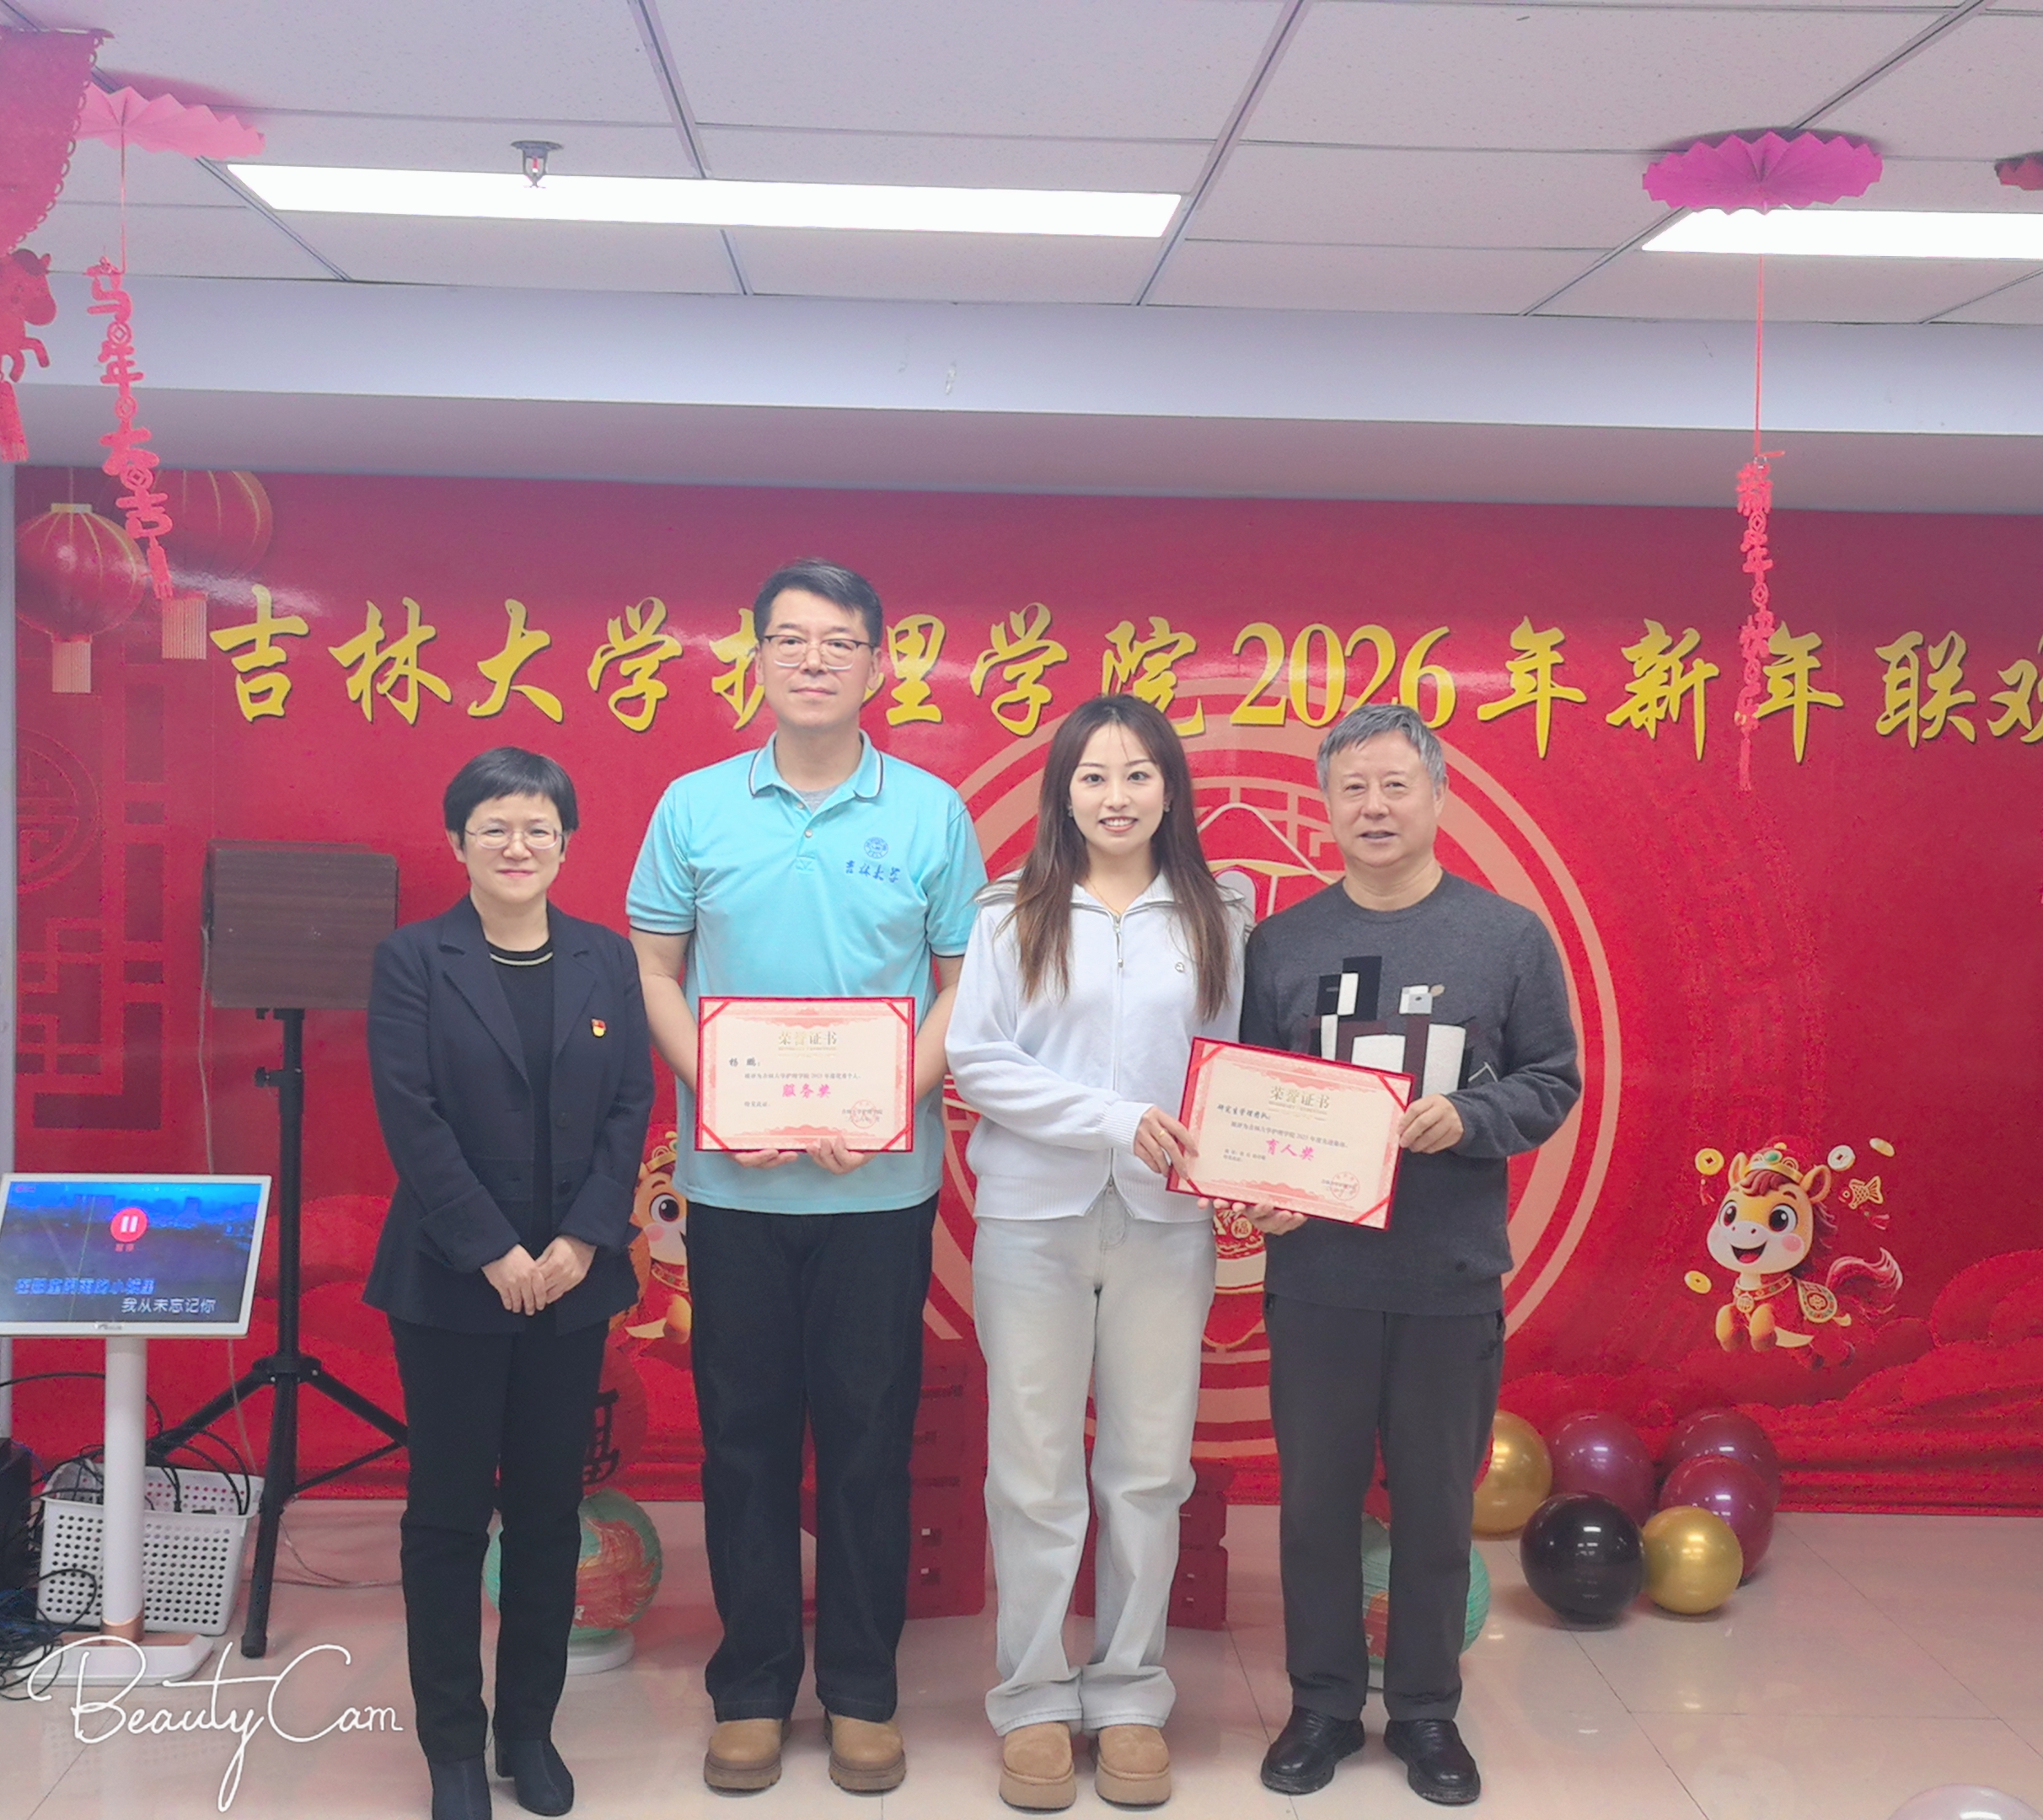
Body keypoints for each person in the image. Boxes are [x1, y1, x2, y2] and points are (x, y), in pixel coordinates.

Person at [626, 559, 987, 1796]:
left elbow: (964, 988)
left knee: (870, 1443)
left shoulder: (931, 812)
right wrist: (724, 1098)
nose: (815, 660)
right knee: (743, 1443)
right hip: (734, 1192)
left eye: (839, 642)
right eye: (790, 639)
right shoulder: (694, 806)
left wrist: (885, 1105)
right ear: (758, 660)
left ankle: (863, 1692)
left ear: (880, 663)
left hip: (879, 1195)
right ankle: (751, 1687)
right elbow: (655, 970)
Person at [1238, 702, 1579, 1807]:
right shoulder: (1281, 944)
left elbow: (1553, 1079)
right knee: (1315, 1505)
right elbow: (1252, 1094)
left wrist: (1471, 1118)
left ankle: (1428, 1713)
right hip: (1320, 1278)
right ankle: (1323, 1705)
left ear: (1438, 796)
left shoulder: (1506, 938)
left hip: (1447, 1273)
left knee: (1436, 1506)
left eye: (1395, 786)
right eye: (1353, 789)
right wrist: (1258, 1188)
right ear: (1327, 807)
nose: (1374, 807)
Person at [948, 696, 1253, 1812]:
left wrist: (1250, 1161)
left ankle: (1129, 1692)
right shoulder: (1010, 912)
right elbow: (979, 1061)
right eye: (1092, 776)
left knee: (1148, 1468)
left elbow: (1233, 1065)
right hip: (1033, 1220)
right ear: (1062, 794)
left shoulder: (1218, 912)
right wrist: (1114, 1119)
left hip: (1167, 1227)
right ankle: (1031, 1697)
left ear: (1170, 791)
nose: (1115, 797)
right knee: (1032, 1467)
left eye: (1137, 775)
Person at [365, 747, 654, 1820]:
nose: (518, 846)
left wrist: (582, 1242)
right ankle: (450, 1744)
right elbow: (411, 1115)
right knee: (446, 1517)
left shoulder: (605, 959)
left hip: (570, 1283)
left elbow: (630, 1105)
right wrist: (492, 1249)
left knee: (544, 1514)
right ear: (459, 843)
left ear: (566, 843)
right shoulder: (413, 959)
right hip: (452, 1279)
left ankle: (527, 1731)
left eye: (538, 827)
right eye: (495, 827)